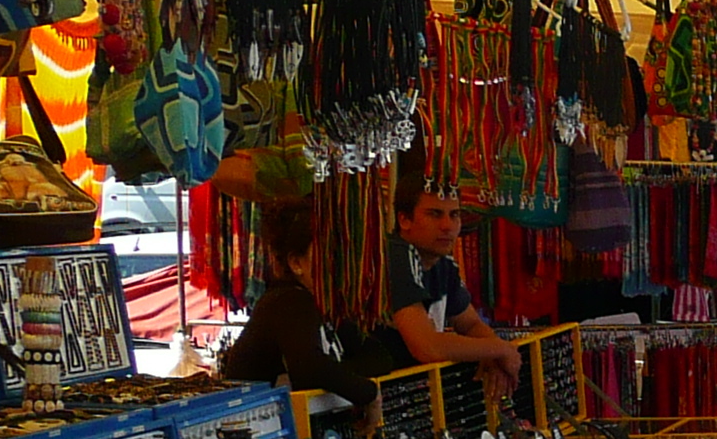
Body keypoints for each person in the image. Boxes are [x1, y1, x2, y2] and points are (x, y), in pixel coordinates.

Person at [219, 200, 379, 424]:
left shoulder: (322, 307)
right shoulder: (288, 301)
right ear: (296, 263)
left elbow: (379, 356)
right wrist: (368, 393)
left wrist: (340, 373)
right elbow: (309, 367)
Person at [368, 168, 520, 399]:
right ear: (404, 220)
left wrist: (493, 354)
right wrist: (500, 349)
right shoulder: (396, 255)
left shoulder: (443, 263)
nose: (447, 226)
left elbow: (469, 324)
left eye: (455, 215)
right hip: (377, 399)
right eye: (435, 214)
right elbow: (427, 347)